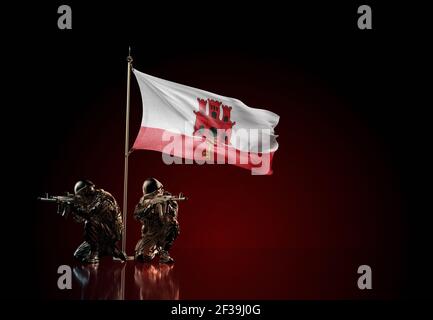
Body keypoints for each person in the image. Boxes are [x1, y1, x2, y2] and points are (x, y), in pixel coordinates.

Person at [68, 180, 127, 264]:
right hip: (99, 232)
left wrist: (75, 209)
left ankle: (94, 253)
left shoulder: (104, 197)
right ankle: (108, 249)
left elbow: (90, 215)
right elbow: (79, 219)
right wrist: (74, 208)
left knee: (90, 222)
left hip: (111, 232)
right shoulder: (89, 200)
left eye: (81, 194)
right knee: (78, 255)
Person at [134, 178, 181, 264]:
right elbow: (137, 216)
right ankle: (152, 249)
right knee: (143, 257)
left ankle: (164, 252)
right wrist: (150, 206)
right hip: (149, 233)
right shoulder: (144, 201)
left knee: (174, 225)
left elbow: (172, 217)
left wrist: (165, 206)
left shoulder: (168, 200)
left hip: (162, 231)